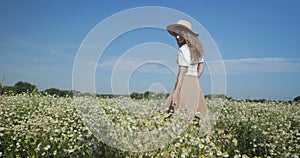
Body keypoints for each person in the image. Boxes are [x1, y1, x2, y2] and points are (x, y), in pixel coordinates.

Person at [165, 19, 207, 120]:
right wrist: (195, 78)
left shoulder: (183, 49)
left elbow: (182, 72)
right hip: (195, 84)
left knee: (173, 112)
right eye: (176, 34)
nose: (177, 37)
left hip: (183, 82)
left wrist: (176, 93)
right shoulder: (197, 50)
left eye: (180, 34)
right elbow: (201, 67)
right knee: (196, 114)